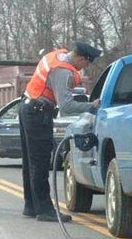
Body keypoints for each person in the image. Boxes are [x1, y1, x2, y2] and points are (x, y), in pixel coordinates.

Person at [19, 41, 101, 222]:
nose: (84, 68)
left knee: (30, 162)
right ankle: (44, 210)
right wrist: (91, 106)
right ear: (80, 57)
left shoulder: (58, 55)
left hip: (27, 106)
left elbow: (64, 79)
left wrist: (75, 79)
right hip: (38, 113)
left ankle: (31, 206)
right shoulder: (62, 71)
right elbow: (67, 107)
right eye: (86, 63)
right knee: (40, 163)